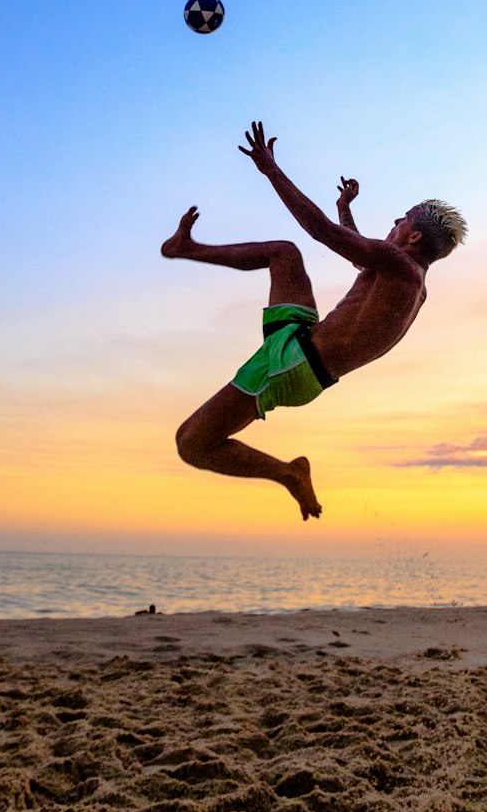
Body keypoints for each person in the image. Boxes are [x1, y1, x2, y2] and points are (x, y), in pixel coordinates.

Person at [164, 122, 466, 521]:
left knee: (191, 443)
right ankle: (188, 248)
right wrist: (346, 208)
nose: (395, 219)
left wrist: (270, 169)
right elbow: (360, 257)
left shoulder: (401, 267)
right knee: (284, 254)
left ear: (413, 239)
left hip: (295, 366)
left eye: (403, 219)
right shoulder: (407, 279)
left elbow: (322, 232)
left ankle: (288, 473)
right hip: (302, 340)